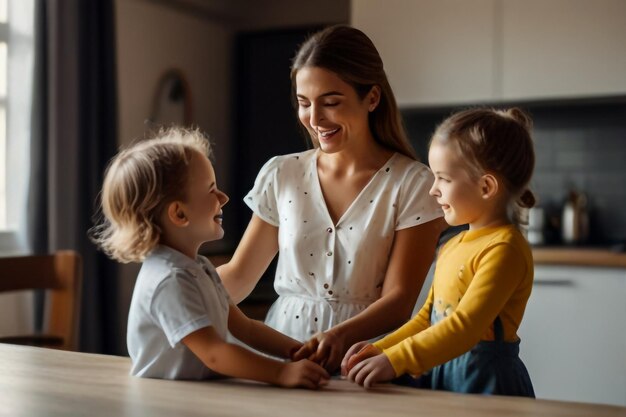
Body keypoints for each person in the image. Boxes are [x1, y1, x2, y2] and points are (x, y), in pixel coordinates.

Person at [217, 24, 445, 373]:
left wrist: (339, 337)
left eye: (331, 102)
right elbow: (240, 274)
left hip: (366, 360)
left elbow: (399, 301)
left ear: (372, 98)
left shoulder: (412, 184)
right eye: (304, 103)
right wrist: (183, 287)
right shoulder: (282, 174)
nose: (315, 118)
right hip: (285, 352)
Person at [90, 127, 329, 388]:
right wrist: (281, 374)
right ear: (179, 214)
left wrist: (296, 351)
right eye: (211, 190)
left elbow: (245, 328)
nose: (223, 198)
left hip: (199, 394)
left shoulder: (200, 268)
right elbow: (214, 353)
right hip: (165, 400)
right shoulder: (169, 280)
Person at [342, 108, 536, 397]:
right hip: (443, 371)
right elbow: (427, 318)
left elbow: (464, 328)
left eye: (443, 179)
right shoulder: (452, 245)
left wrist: (395, 360)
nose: (433, 190)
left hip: (486, 383)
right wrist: (381, 348)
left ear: (486, 186)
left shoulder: (504, 248)